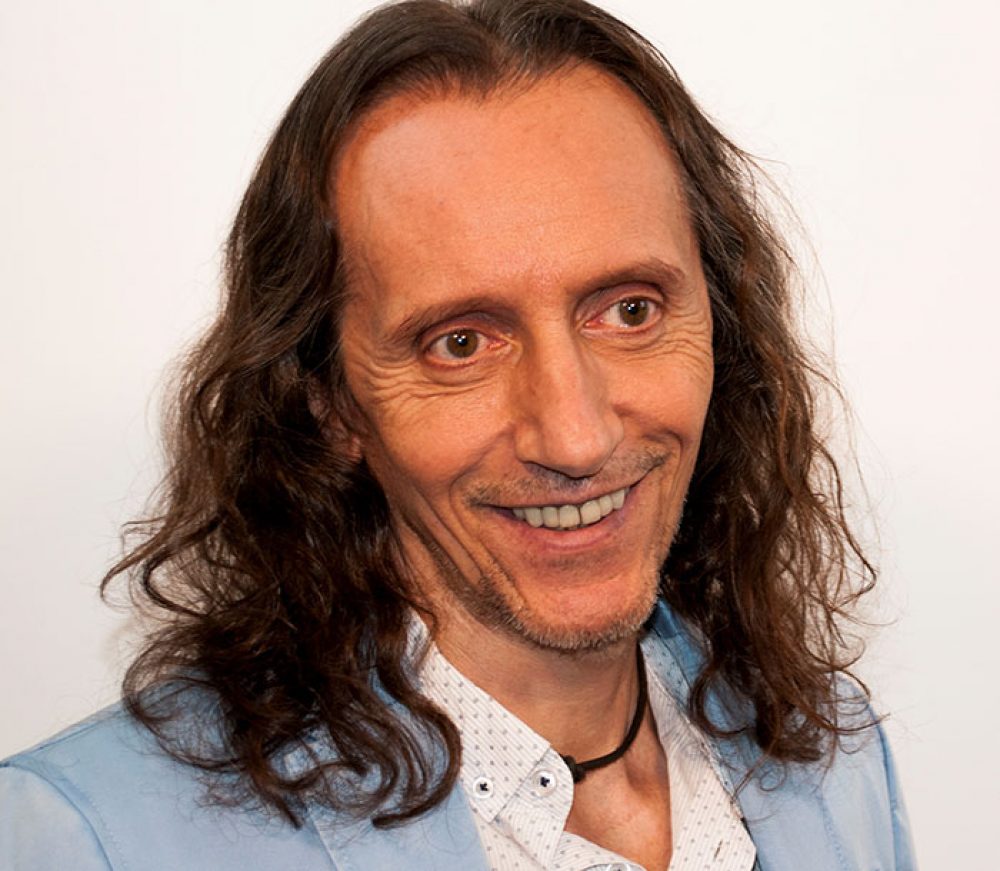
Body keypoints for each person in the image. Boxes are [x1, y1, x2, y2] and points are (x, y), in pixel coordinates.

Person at [0, 0, 916, 868]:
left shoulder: (830, 762)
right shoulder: (97, 839)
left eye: (629, 310)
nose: (576, 437)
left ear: (721, 325)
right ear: (330, 403)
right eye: (461, 343)